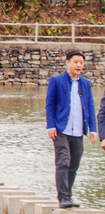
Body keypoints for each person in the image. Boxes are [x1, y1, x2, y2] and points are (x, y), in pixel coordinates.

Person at [45, 49, 97, 209]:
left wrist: (93, 129)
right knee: (63, 162)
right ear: (67, 62)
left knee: (74, 164)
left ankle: (69, 195)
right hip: (61, 129)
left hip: (78, 131)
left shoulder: (85, 84)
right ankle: (63, 198)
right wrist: (51, 125)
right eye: (76, 62)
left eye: (81, 62)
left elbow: (90, 106)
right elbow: (50, 104)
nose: (79, 65)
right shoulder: (56, 80)